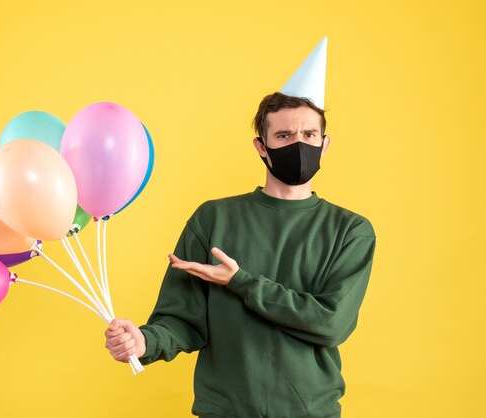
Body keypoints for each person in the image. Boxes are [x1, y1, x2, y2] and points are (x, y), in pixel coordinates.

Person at [106, 40, 376, 417]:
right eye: (283, 136)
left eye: (309, 136)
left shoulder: (350, 230)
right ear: (261, 147)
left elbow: (331, 324)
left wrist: (241, 282)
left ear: (325, 144)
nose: (298, 144)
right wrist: (143, 342)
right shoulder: (213, 219)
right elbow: (182, 320)